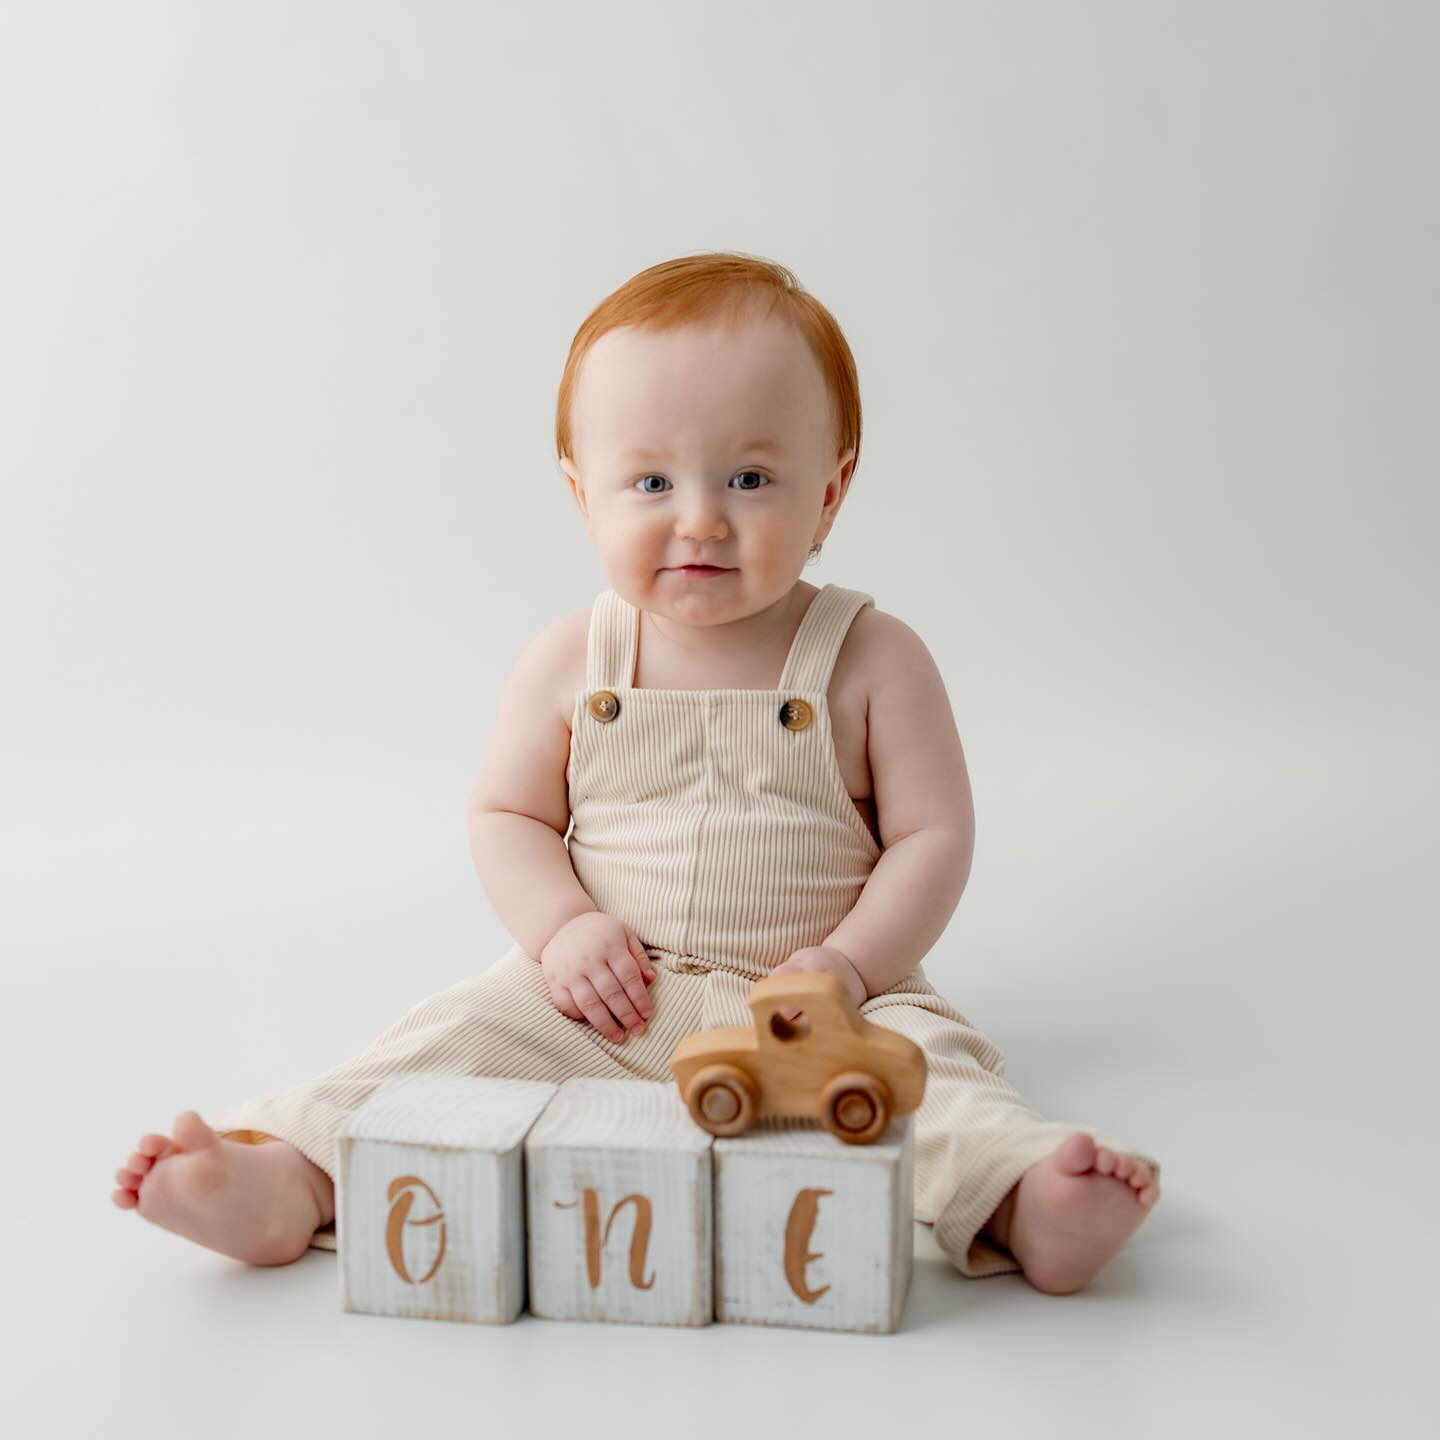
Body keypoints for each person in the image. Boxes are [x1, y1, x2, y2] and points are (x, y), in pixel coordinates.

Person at [111, 252, 1160, 1295]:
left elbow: (933, 840)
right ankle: (289, 1179)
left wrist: (847, 966)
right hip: (605, 996)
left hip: (822, 1000)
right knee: (449, 1040)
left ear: (830, 492)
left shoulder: (874, 659)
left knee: (929, 1075)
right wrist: (563, 931)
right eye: (651, 481)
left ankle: (1027, 1200)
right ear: (583, 495)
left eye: (749, 478)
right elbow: (507, 813)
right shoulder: (574, 660)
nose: (699, 518)